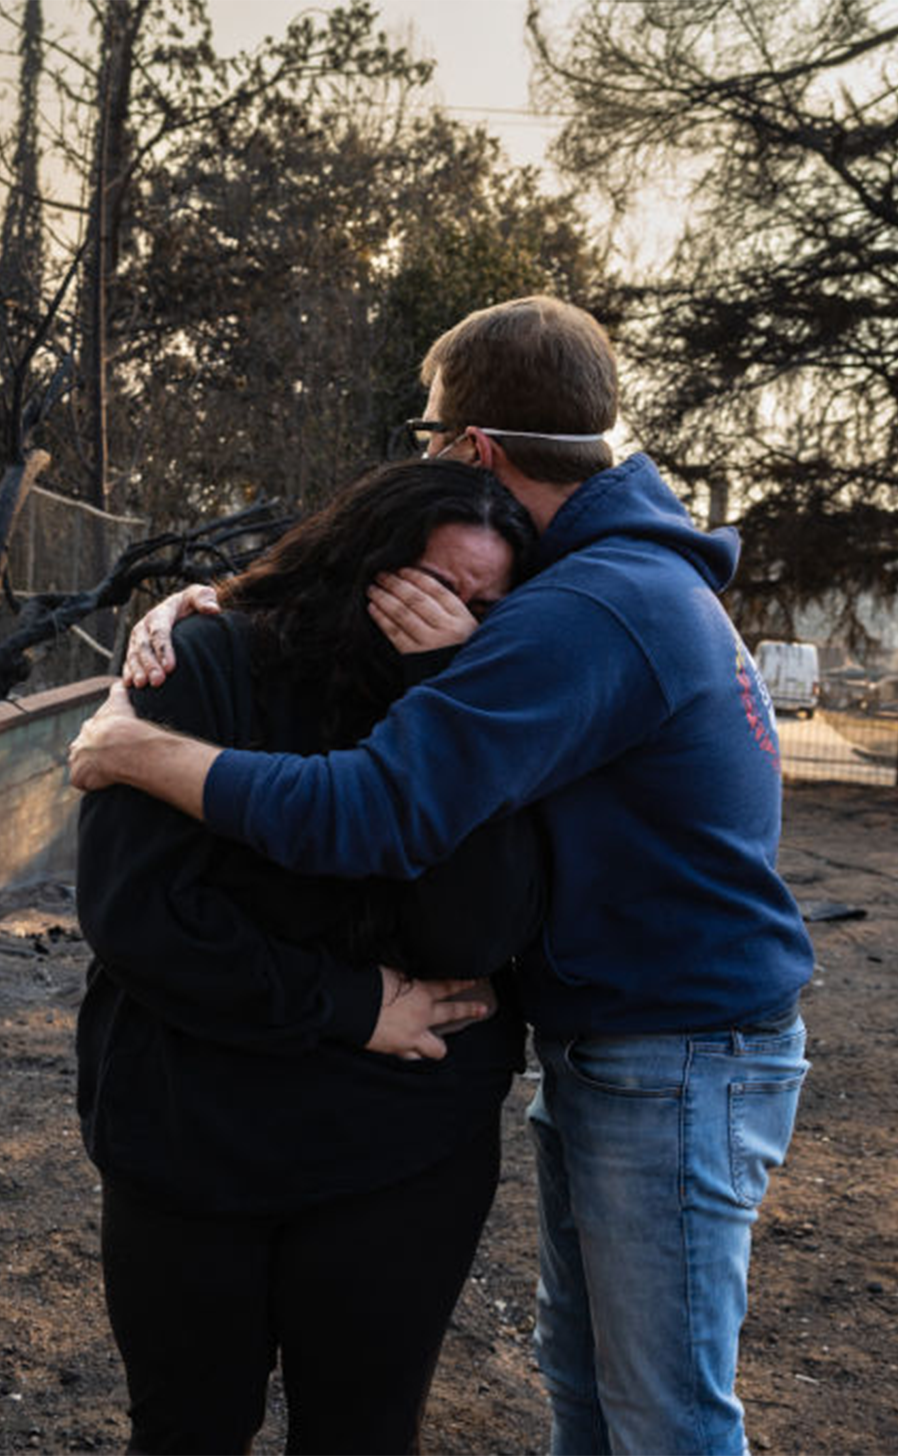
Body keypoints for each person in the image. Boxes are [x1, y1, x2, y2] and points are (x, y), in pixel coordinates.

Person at [71, 293, 815, 1456]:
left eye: (427, 434)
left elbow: (377, 809)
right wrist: (213, 604)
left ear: (472, 446)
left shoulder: (588, 606)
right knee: (597, 1384)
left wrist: (138, 750)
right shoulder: (612, 577)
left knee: (663, 1416)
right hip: (645, 1041)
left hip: (673, 1052)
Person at [73, 458, 546, 1456]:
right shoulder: (205, 661)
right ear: (358, 560)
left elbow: (468, 934)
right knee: (186, 1430)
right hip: (193, 1131)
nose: (446, 615)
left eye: (479, 604)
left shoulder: (482, 700)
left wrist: (444, 688)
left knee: (364, 1435)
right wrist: (347, 1001)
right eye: (426, 586)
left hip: (399, 1146)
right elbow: (139, 915)